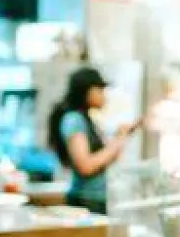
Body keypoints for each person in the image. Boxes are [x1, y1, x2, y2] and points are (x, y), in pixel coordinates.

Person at [46, 66, 137, 215]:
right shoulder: (74, 119)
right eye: (100, 90)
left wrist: (120, 138)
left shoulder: (85, 119)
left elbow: (103, 161)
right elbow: (85, 166)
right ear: (86, 91)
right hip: (86, 200)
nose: (104, 96)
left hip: (95, 198)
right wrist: (118, 140)